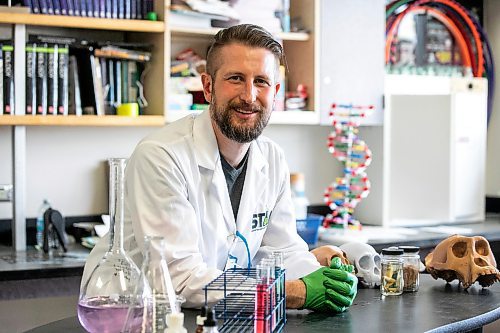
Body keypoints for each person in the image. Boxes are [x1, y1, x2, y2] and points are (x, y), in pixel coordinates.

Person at [82, 24, 357, 313]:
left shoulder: (272, 158)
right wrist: (295, 292)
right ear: (209, 86)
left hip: (209, 315)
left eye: (261, 81)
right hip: (132, 314)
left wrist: (318, 274)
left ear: (275, 92)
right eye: (236, 78)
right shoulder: (162, 155)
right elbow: (180, 278)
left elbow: (282, 251)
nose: (249, 96)